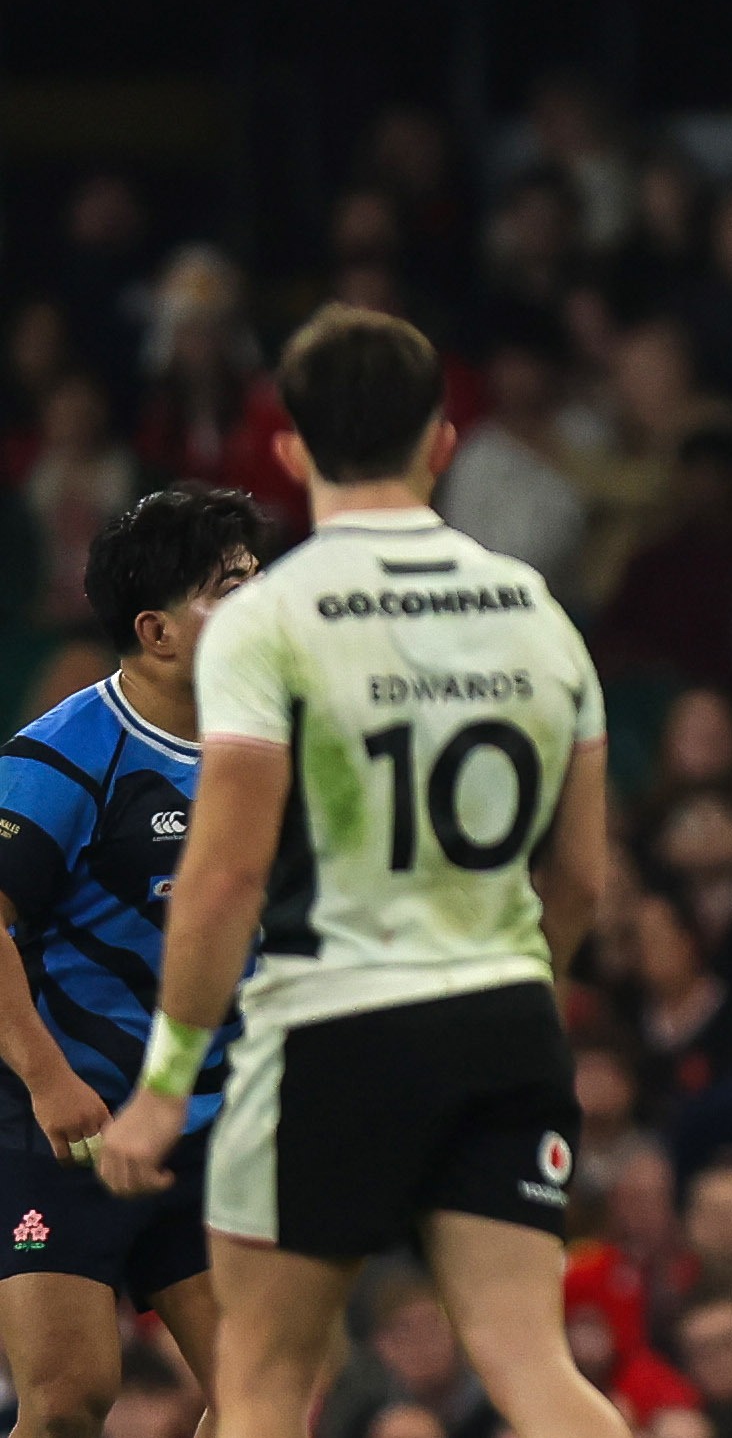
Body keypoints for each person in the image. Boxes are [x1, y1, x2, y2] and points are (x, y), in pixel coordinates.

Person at [88, 308, 626, 1438]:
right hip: (506, 1022)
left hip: (333, 1031)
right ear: (442, 441)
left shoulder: (270, 620)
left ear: (291, 449)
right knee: (535, 1367)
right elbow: (580, 876)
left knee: (264, 1385)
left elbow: (224, 878)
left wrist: (164, 1085)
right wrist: (523, 988)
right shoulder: (538, 613)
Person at [0, 489, 263, 1438]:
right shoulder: (63, 755)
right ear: (156, 631)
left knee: (263, 1404)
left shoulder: (269, 754)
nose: (260, 605)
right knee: (69, 1402)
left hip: (206, 1127)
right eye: (229, 587)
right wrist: (47, 1078)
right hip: (67, 1123)